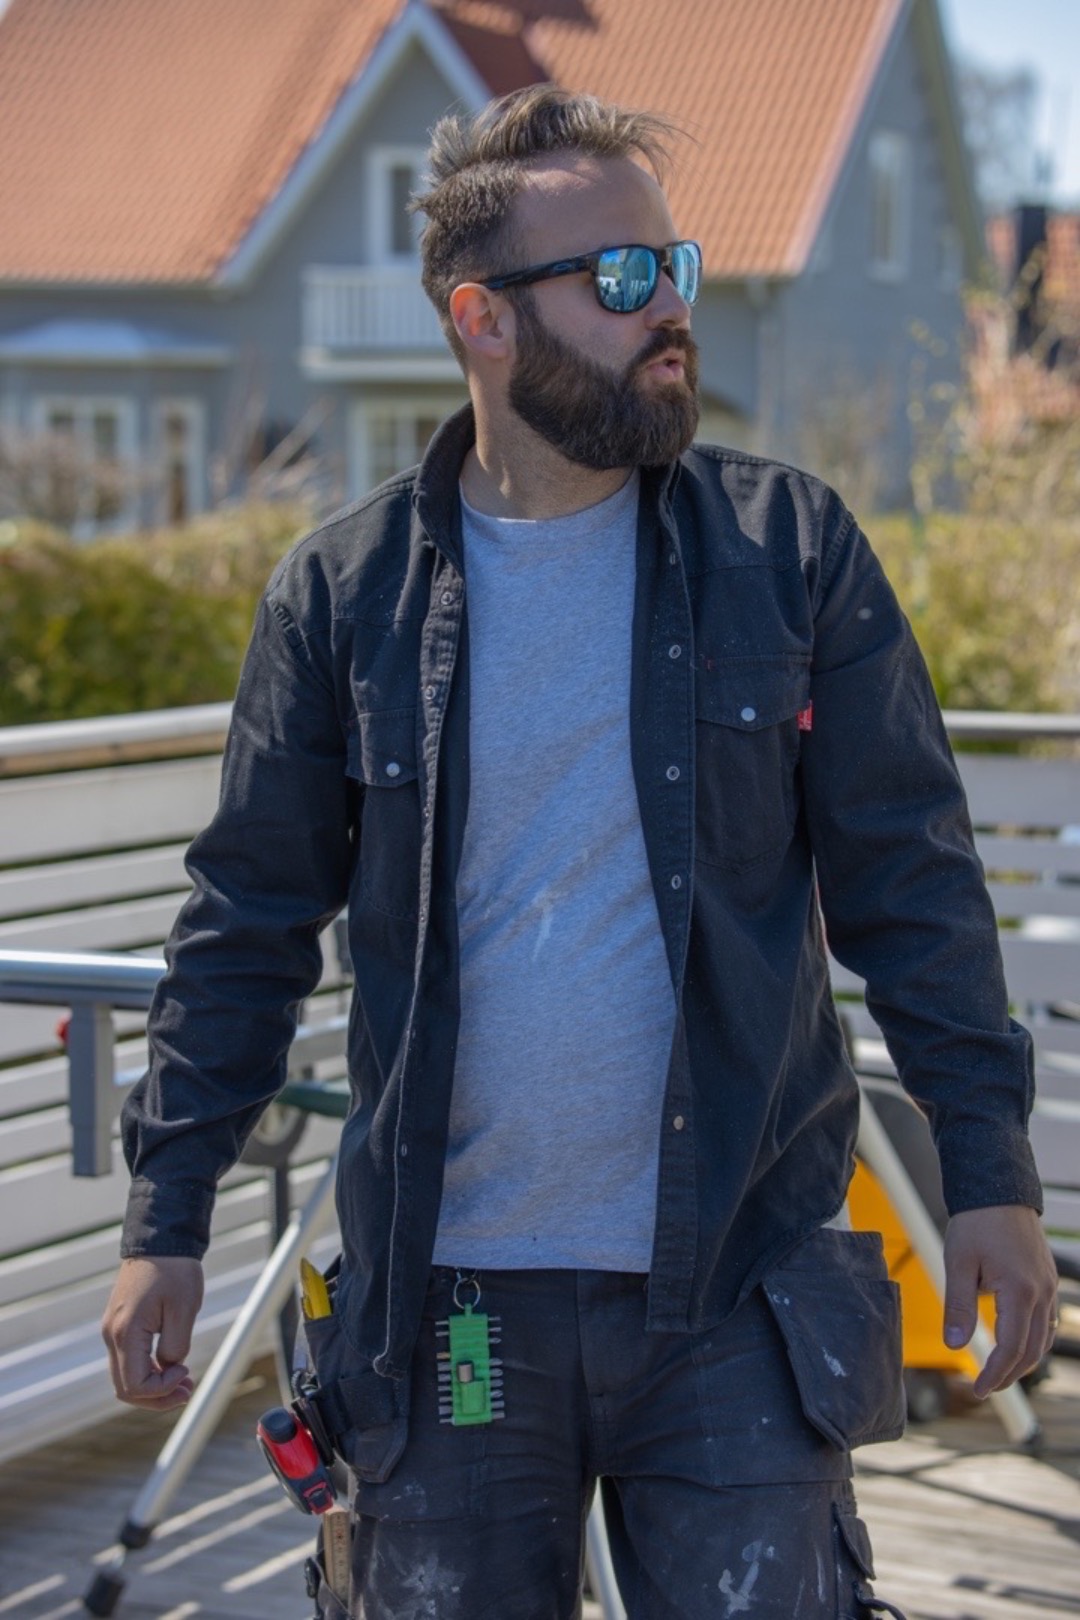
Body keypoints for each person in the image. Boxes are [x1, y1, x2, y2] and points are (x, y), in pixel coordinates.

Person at [102, 87, 1057, 1618]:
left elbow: (915, 885)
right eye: (619, 277)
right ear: (482, 319)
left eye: (672, 266)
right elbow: (246, 925)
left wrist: (990, 1175)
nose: (668, 308)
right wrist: (166, 1222)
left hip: (736, 1294)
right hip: (452, 1312)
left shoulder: (791, 552)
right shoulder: (341, 598)